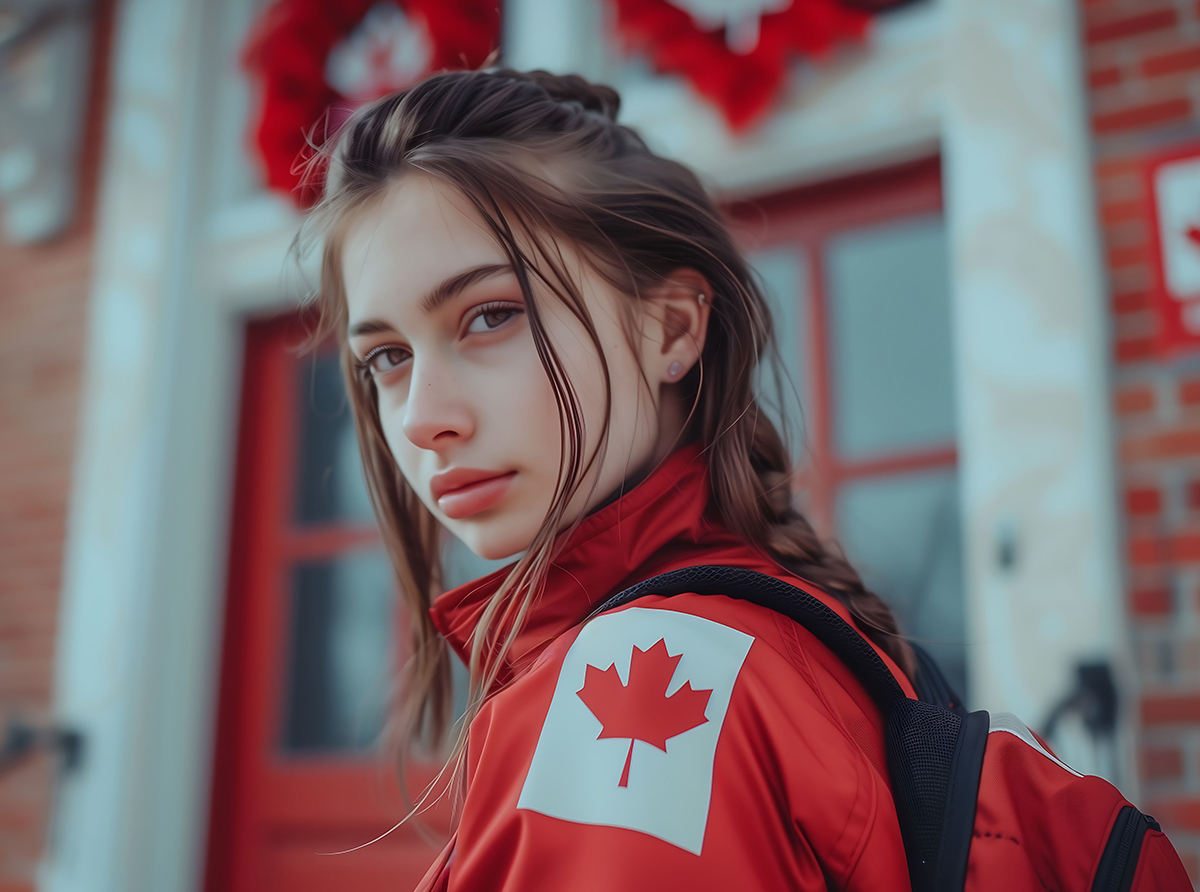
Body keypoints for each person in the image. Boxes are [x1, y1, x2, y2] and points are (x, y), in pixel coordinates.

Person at [299, 67, 924, 891]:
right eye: (386, 357)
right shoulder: (751, 641)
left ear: (671, 326)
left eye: (491, 315)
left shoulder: (639, 678)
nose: (420, 417)